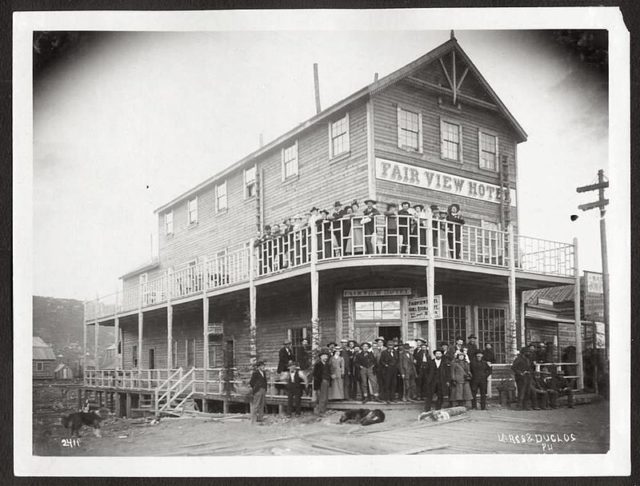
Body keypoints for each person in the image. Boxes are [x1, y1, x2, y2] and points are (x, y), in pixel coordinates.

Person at [380, 339, 399, 403]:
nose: (391, 346)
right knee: (387, 384)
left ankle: (392, 398)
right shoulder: (384, 352)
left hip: (394, 370)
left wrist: (396, 367)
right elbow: (381, 361)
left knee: (393, 384)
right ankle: (387, 398)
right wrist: (386, 365)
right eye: (389, 345)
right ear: (387, 346)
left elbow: (397, 360)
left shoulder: (396, 352)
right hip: (387, 371)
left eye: (392, 345)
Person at [313, 350, 332, 415]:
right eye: (324, 356)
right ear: (320, 357)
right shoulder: (317, 365)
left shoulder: (327, 365)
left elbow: (329, 373)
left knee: (326, 397)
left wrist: (329, 380)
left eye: (326, 356)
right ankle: (320, 411)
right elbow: (315, 375)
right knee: (321, 397)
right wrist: (320, 381)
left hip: (326, 381)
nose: (325, 357)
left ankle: (324, 410)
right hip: (320, 382)